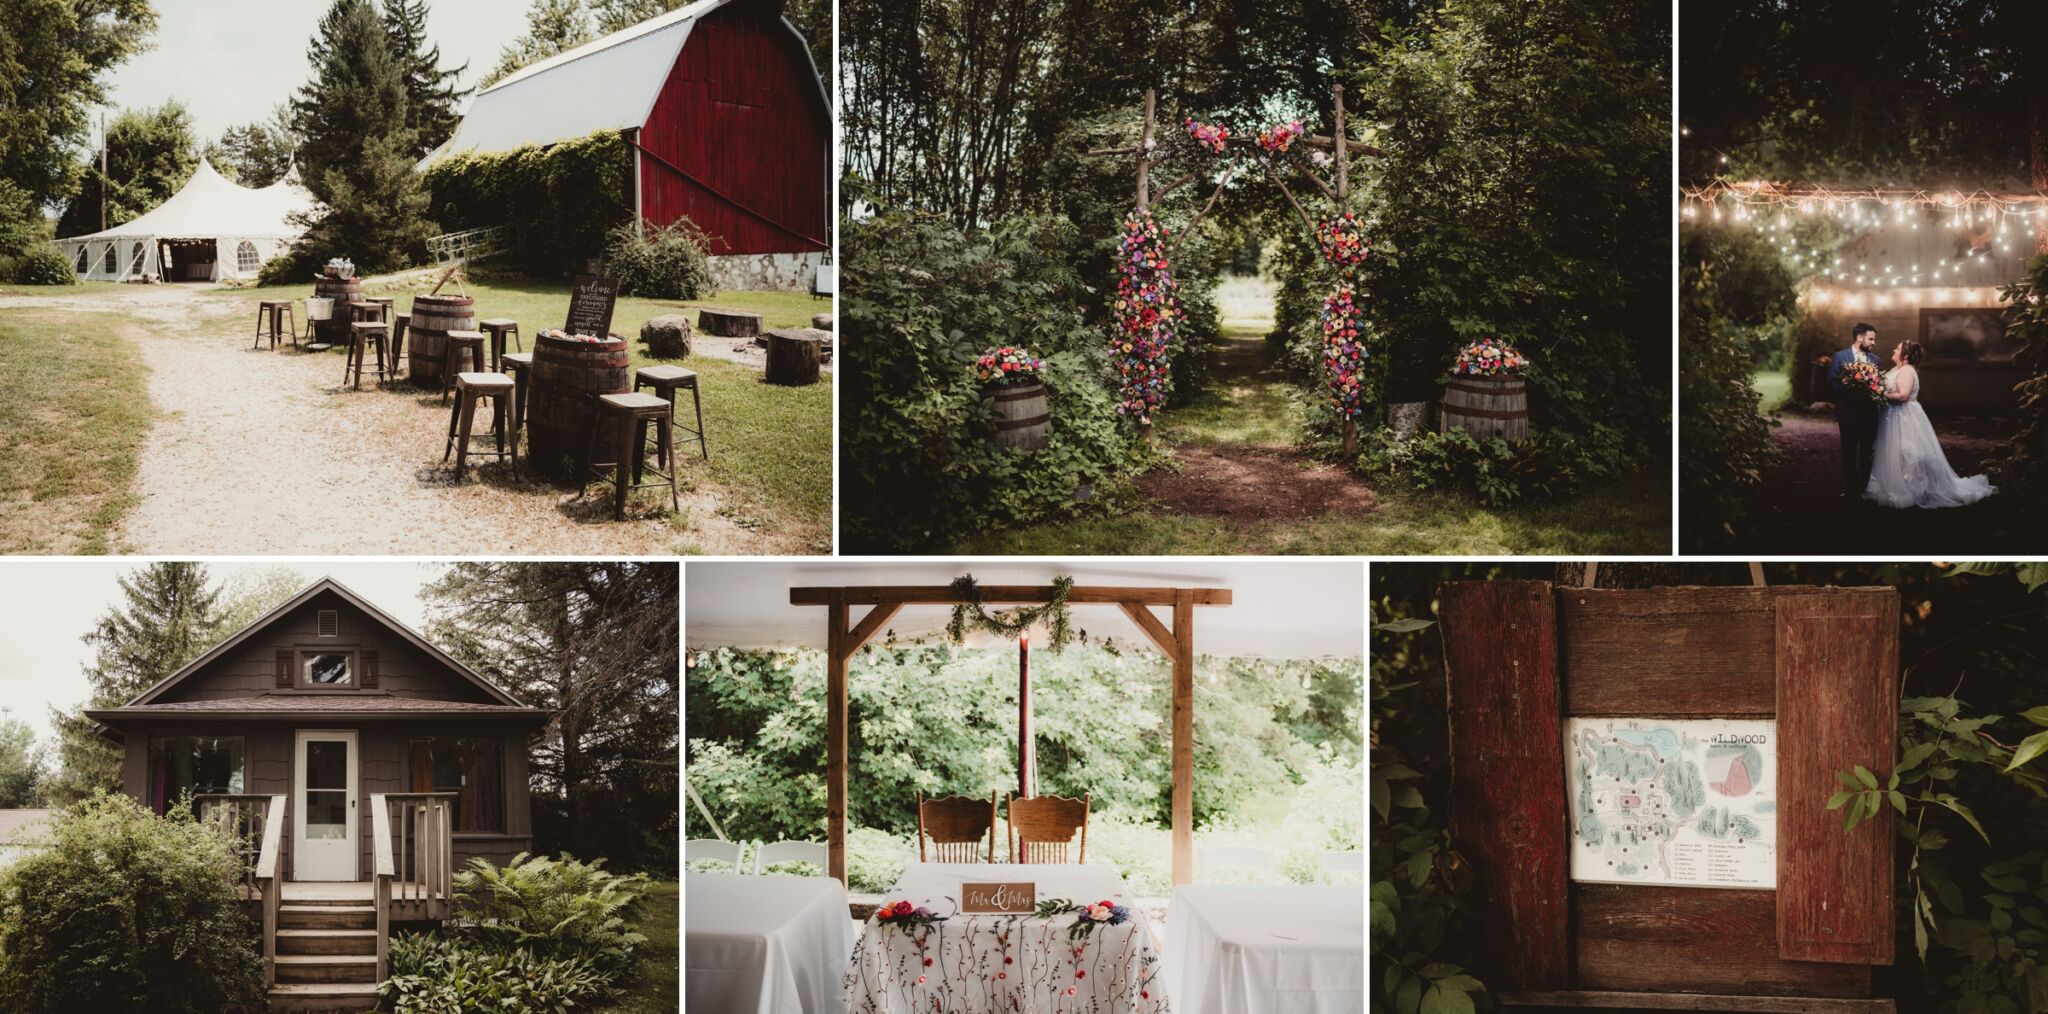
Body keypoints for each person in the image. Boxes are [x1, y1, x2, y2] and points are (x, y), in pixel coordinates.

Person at [1863, 339, 1997, 509]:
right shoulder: (1898, 369)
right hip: (1894, 416)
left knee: (1907, 452)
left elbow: (1903, 396)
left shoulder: (1906, 371)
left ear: (1905, 356)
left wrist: (1878, 392)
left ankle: (1912, 489)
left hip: (1902, 417)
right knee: (1896, 452)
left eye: (1897, 349)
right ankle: (1896, 485)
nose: (1894, 350)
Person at [1826, 323, 1882, 496]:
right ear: (1859, 337)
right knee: (1849, 453)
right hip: (1848, 413)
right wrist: (1852, 394)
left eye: (1874, 339)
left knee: (1868, 454)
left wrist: (1871, 393)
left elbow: (1878, 385)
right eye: (1870, 339)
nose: (1873, 343)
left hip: (1870, 415)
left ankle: (1866, 489)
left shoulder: (1876, 360)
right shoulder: (1840, 356)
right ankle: (1851, 491)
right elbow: (1832, 382)